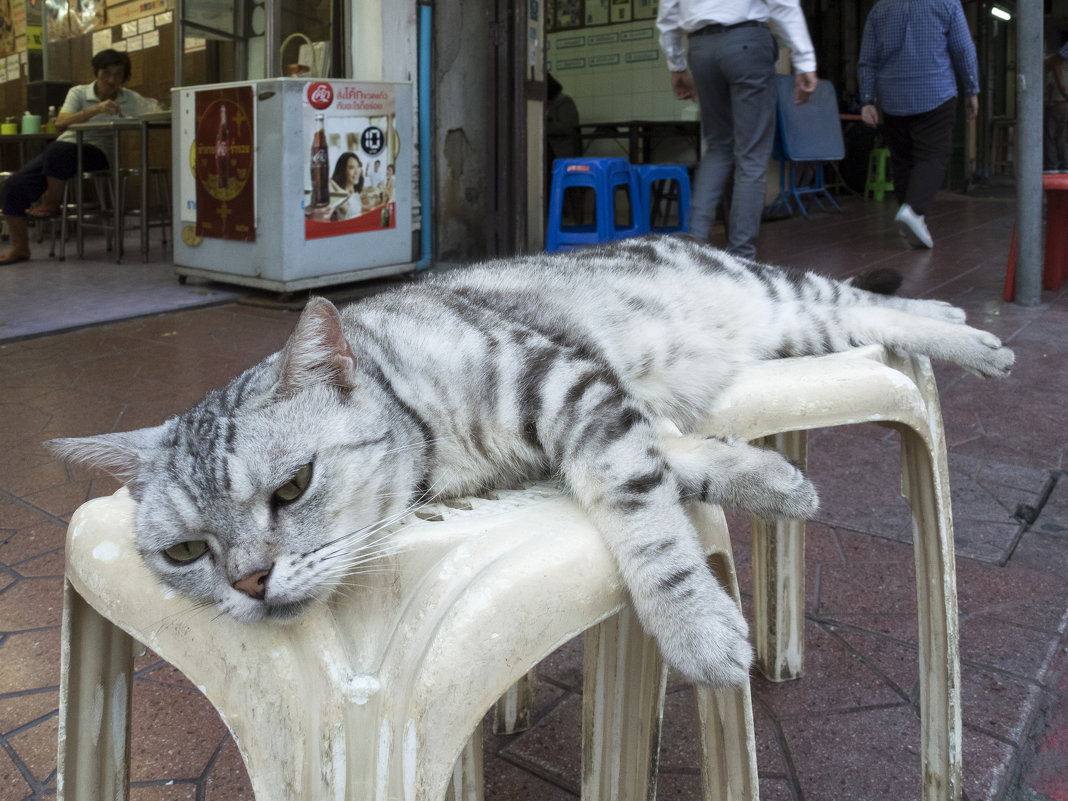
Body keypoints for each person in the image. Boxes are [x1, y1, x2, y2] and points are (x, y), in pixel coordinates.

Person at [656, 0, 818, 260]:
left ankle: (691, 248)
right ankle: (741, 258)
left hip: (701, 48)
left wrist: (676, 65)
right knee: (751, 157)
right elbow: (782, 3)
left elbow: (668, 12)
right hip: (747, 42)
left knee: (717, 147)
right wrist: (805, 60)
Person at [0, 49, 153, 265]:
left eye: (118, 74)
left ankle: (52, 203)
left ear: (124, 77)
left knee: (57, 151)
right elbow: (61, 124)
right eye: (106, 74)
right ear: (96, 73)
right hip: (63, 151)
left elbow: (150, 113)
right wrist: (95, 109)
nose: (111, 80)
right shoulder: (79, 92)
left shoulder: (131, 99)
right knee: (12, 186)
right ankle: (20, 249)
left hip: (98, 152)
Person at [857, 0, 979, 249]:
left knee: (903, 159)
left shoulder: (880, 8)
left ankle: (908, 218)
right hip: (935, 92)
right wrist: (972, 89)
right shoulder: (947, 4)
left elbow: (867, 59)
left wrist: (867, 99)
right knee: (934, 155)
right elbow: (963, 49)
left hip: (893, 97)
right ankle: (914, 212)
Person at [1045, 38, 1068, 173]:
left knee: (1053, 132)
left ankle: (1054, 165)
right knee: (1059, 132)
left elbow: (1054, 83)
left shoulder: (1057, 63)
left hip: (1060, 100)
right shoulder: (1059, 62)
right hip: (1061, 99)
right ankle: (1060, 164)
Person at [329, 151, 364, 221]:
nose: (357, 171)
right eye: (351, 168)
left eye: (358, 166)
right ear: (343, 170)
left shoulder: (356, 192)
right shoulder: (340, 195)